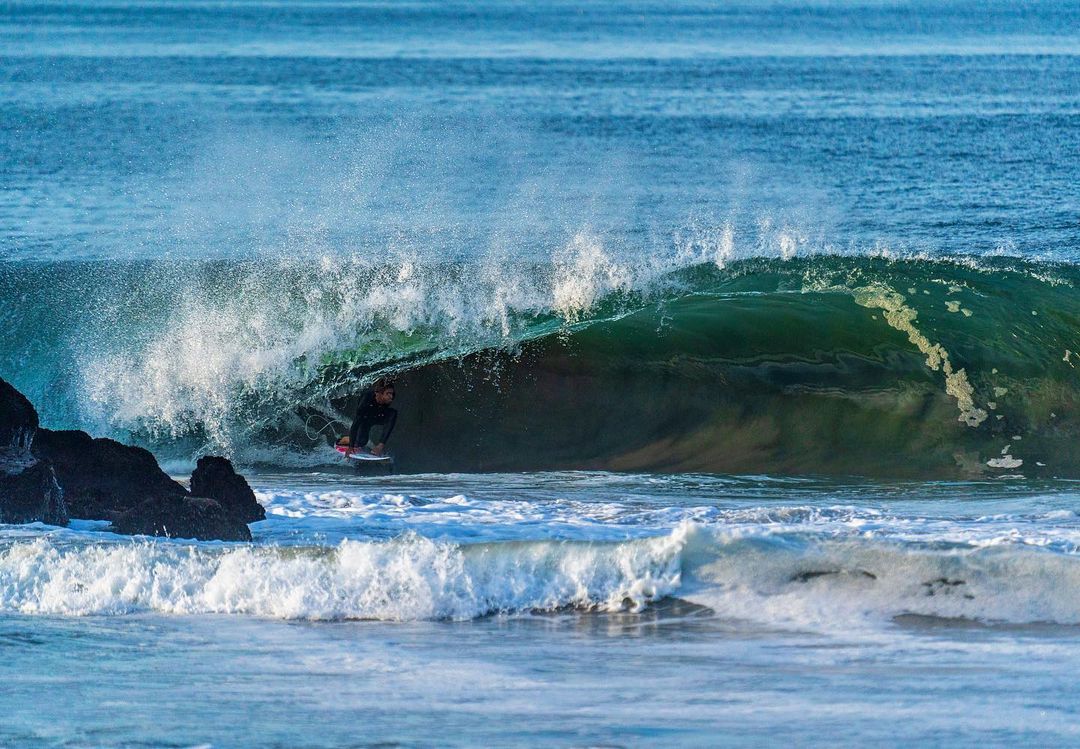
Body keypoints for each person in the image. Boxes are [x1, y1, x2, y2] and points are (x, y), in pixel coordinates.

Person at [346, 378, 397, 457]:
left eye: (392, 394)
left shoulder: (388, 398)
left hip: (378, 415)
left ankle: (380, 446)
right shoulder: (366, 401)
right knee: (361, 442)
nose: (391, 397)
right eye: (388, 394)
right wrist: (350, 447)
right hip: (365, 418)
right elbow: (355, 424)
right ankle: (345, 440)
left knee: (393, 413)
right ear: (379, 393)